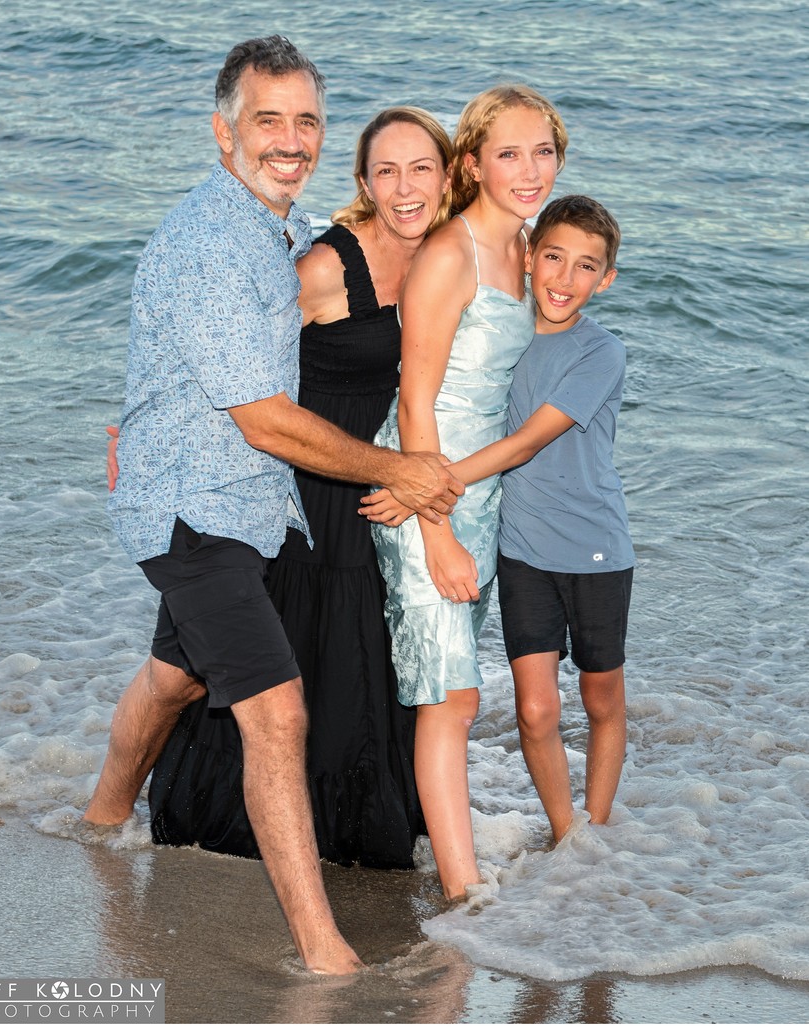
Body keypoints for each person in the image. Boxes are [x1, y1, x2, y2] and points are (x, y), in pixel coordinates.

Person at [83, 37, 463, 976]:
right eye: (268, 120)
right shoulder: (218, 240)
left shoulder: (274, 232)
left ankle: (97, 819)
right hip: (196, 509)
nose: (290, 140)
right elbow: (264, 420)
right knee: (275, 713)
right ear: (224, 133)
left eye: (305, 122)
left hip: (245, 505)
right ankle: (323, 950)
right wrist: (403, 470)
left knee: (176, 677)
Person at [147, 107, 454, 869]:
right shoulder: (326, 266)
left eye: (422, 168)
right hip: (307, 486)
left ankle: (356, 829)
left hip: (375, 484)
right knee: (260, 669)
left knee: (357, 661)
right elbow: (231, 359)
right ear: (363, 183)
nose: (404, 187)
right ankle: (244, 831)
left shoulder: (453, 257)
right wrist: (151, 424)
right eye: (386, 171)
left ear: (450, 177)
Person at [370, 196, 632, 842]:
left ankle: (597, 825)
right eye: (553, 259)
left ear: (606, 279)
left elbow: (526, 443)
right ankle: (568, 832)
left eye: (585, 268)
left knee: (601, 699)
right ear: (529, 256)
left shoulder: (600, 354)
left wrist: (423, 483)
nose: (564, 280)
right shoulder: (510, 335)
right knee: (537, 709)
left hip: (595, 548)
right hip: (520, 550)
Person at [368, 85, 568, 900]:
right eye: (509, 153)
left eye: (543, 152)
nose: (528, 170)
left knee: (448, 688)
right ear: (474, 164)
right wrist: (433, 529)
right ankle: (463, 890)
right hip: (428, 487)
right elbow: (416, 399)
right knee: (449, 696)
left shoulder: (526, 250)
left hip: (479, 491)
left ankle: (449, 863)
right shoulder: (450, 254)